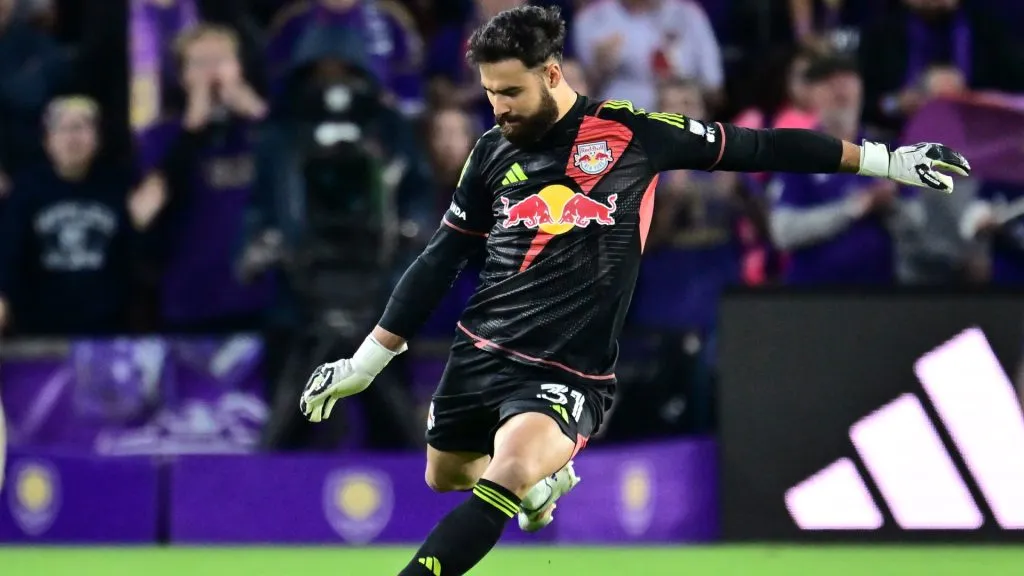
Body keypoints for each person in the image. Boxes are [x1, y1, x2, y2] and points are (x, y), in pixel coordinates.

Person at [298, 6, 970, 575]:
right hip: (483, 349)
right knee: (446, 476)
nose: (496, 108)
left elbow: (762, 147)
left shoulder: (631, 134)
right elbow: (441, 257)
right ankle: (540, 481)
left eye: (509, 92)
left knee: (504, 476)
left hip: (568, 367)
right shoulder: (490, 153)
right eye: (489, 93)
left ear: (552, 75)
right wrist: (366, 362)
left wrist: (889, 160)